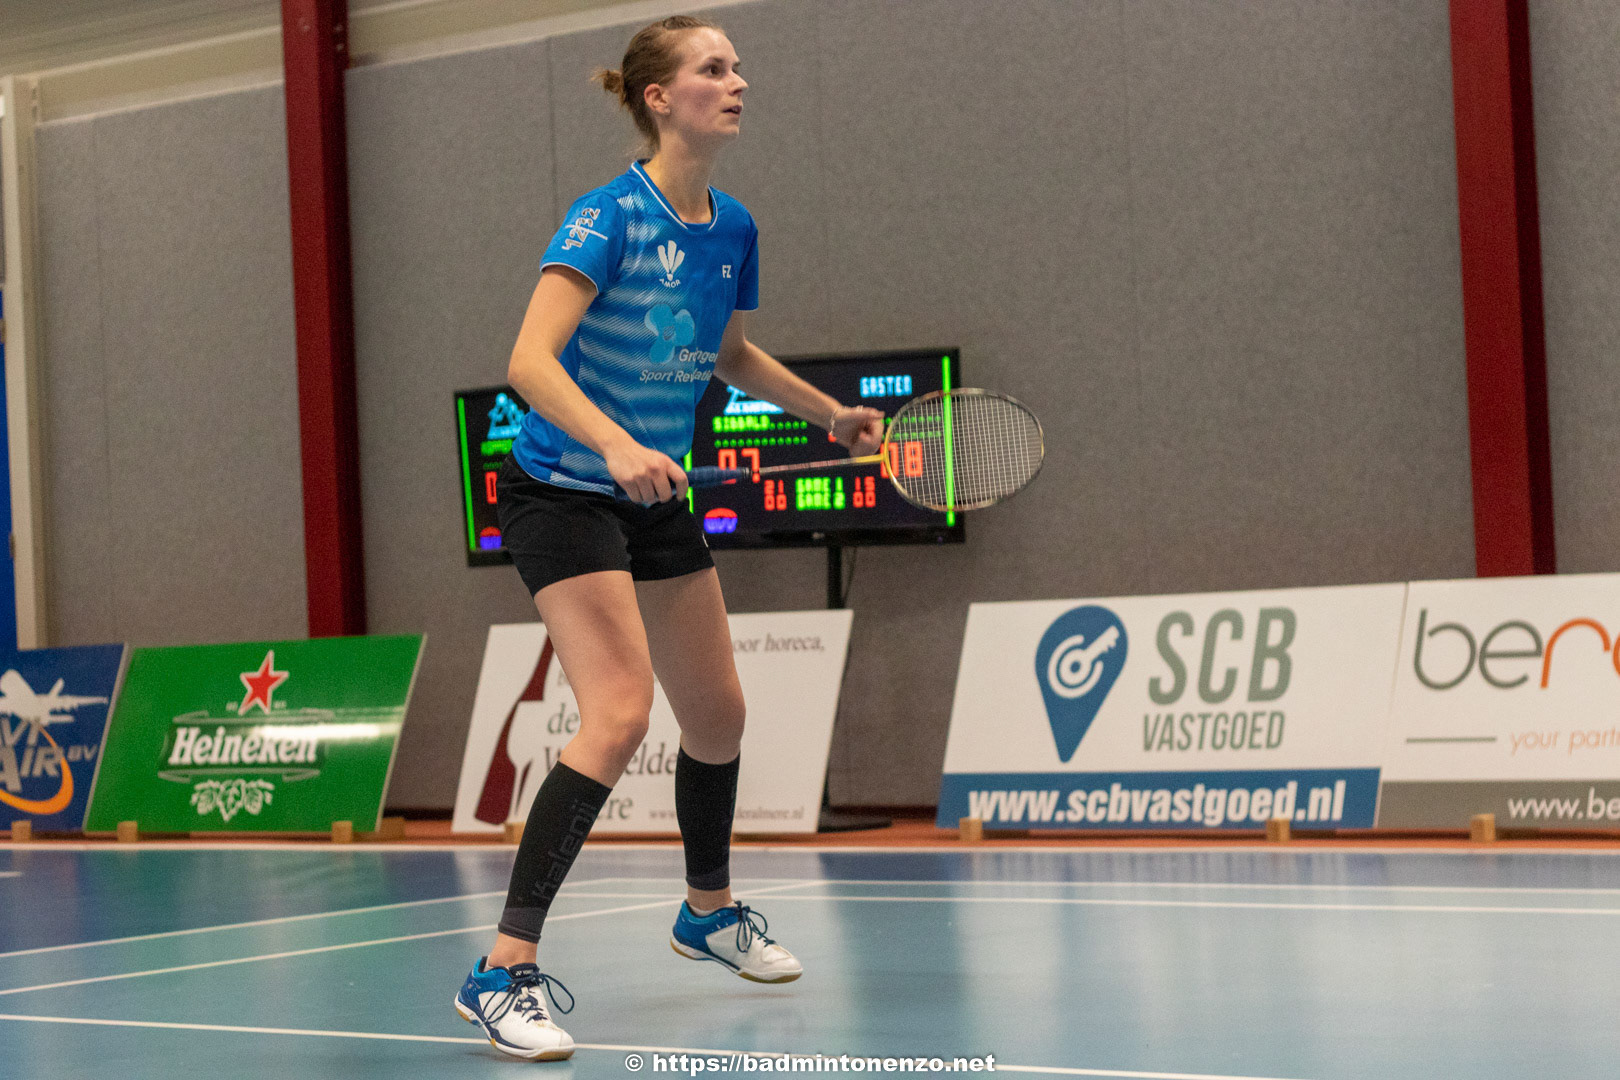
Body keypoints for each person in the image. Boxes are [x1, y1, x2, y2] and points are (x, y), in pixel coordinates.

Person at [453, 16, 885, 1062]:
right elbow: (527, 362)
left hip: (654, 496)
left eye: (737, 67)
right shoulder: (606, 217)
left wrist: (829, 415)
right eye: (713, 69)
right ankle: (500, 972)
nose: (738, 82)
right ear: (659, 97)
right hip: (563, 491)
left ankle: (707, 912)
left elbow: (730, 355)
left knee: (720, 714)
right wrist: (612, 445)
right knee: (618, 713)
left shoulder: (733, 227)